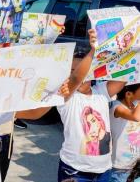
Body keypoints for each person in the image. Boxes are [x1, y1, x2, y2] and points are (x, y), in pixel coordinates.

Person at [57, 29, 127, 182]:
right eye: (72, 71)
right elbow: (75, 79)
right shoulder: (66, 98)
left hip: (104, 171)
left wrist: (127, 45)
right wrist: (95, 49)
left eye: (83, 70)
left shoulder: (100, 91)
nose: (79, 75)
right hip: (74, 171)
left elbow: (124, 76)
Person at [110, 84, 140, 182]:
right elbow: (135, 117)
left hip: (136, 165)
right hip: (120, 167)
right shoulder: (116, 106)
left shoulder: (135, 105)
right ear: (128, 94)